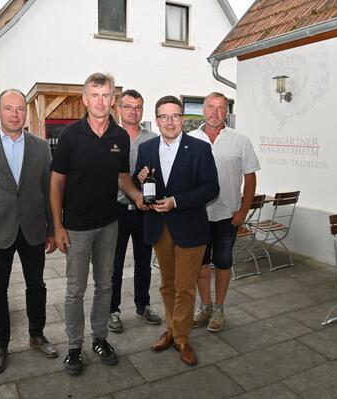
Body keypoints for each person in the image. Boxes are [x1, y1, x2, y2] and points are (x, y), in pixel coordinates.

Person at [50, 73, 145, 376]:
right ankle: (74, 347)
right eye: (95, 95)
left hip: (109, 224)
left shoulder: (119, 137)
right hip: (76, 227)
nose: (101, 101)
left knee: (105, 285)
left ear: (112, 100)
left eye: (106, 95)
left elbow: (122, 178)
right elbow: (56, 182)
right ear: (85, 99)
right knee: (75, 289)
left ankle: (100, 338)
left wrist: (138, 198)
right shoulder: (70, 136)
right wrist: (58, 226)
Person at [0, 89, 58, 375]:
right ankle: (0, 344)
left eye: (20, 109)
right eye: (9, 109)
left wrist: (53, 230)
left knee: (36, 286)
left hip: (32, 229)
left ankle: (37, 335)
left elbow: (49, 190)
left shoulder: (41, 147)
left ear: (25, 113)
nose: (15, 114)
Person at [135, 95, 219, 366]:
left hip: (190, 228)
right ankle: (171, 329)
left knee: (185, 287)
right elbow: (141, 178)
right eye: (164, 116)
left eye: (175, 116)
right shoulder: (146, 148)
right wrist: (138, 179)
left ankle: (182, 338)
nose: (170, 122)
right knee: (167, 284)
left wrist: (176, 201)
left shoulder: (199, 148)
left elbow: (210, 188)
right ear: (157, 120)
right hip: (159, 228)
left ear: (182, 119)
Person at [188, 92, 260, 332]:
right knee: (200, 264)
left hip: (227, 215)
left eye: (221, 108)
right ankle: (205, 305)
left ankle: (219, 308)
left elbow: (250, 179)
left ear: (227, 112)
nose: (215, 112)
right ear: (203, 109)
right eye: (211, 107)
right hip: (197, 216)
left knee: (223, 263)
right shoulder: (189, 139)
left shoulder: (240, 140)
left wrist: (243, 210)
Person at [108, 89, 161, 333]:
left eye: (138, 107)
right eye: (128, 106)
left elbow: (160, 173)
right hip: (115, 210)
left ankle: (143, 304)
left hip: (144, 210)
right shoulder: (109, 136)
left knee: (143, 262)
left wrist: (146, 177)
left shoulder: (153, 139)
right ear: (119, 108)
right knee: (114, 264)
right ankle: (113, 310)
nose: (133, 111)